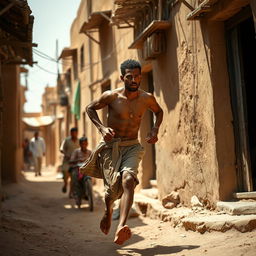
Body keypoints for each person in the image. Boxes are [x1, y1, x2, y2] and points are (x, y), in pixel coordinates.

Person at [80, 59, 163, 245]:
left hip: (133, 146)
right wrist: (101, 128)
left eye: (137, 76)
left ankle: (121, 226)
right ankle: (109, 211)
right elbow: (89, 108)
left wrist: (155, 129)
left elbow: (159, 112)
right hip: (112, 147)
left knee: (128, 180)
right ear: (121, 78)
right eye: (129, 77)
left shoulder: (147, 98)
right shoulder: (111, 96)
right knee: (112, 191)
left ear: (141, 77)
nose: (134, 80)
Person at [69, 137, 91, 207]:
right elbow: (71, 161)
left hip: (87, 170)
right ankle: (77, 196)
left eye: (85, 143)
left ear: (87, 144)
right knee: (75, 179)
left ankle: (88, 192)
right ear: (80, 144)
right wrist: (78, 160)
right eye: (82, 144)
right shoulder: (76, 152)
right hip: (78, 170)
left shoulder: (90, 152)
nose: (84, 145)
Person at [60, 127, 79, 197]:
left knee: (73, 178)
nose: (74, 134)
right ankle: (65, 184)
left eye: (75, 133)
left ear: (77, 133)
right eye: (72, 133)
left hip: (75, 162)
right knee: (65, 174)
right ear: (70, 133)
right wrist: (66, 154)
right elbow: (61, 149)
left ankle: (70, 193)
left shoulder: (79, 141)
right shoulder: (66, 140)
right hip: (67, 161)